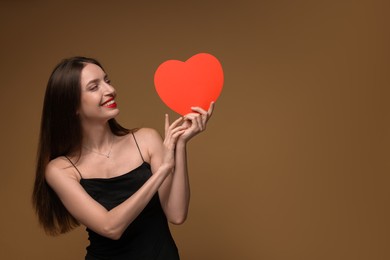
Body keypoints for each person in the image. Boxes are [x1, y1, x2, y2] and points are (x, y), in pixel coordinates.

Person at [32, 56, 214, 259]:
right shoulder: (60, 170)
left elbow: (177, 214)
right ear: (72, 105)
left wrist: (180, 144)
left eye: (107, 81)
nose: (110, 90)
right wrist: (163, 171)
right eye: (94, 87)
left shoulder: (146, 139)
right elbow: (110, 227)